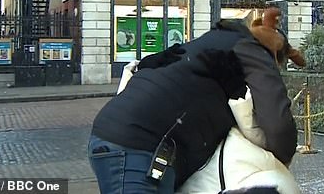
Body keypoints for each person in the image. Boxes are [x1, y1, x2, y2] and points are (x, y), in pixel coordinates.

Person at [88, 20, 297, 193]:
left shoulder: (209, 43)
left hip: (120, 138)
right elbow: (277, 123)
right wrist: (283, 156)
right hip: (142, 149)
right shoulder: (251, 49)